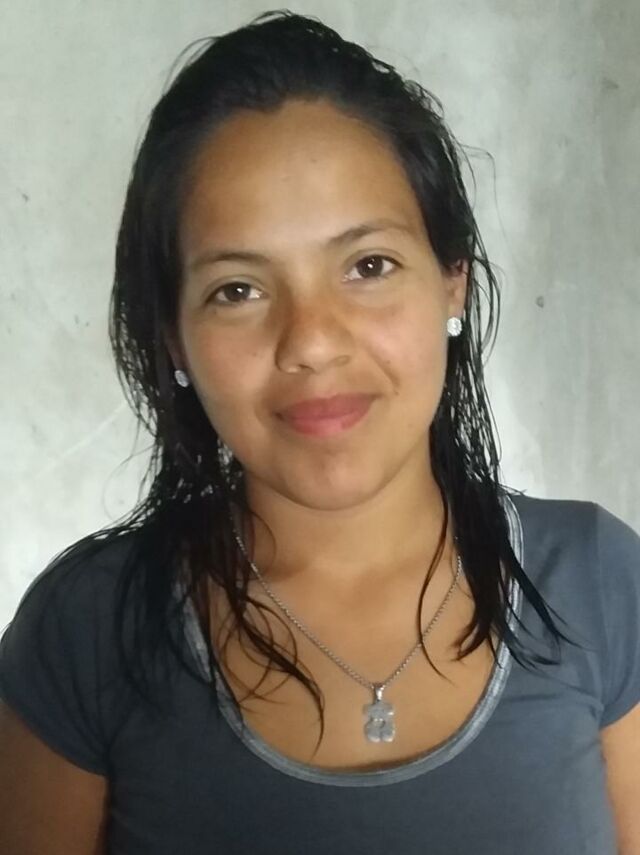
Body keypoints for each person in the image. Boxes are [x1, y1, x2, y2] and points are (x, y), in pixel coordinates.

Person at [0, 9, 639, 854]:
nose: (310, 341)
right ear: (174, 338)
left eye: (368, 266)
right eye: (237, 289)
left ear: (451, 282)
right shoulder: (87, 630)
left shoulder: (599, 582)